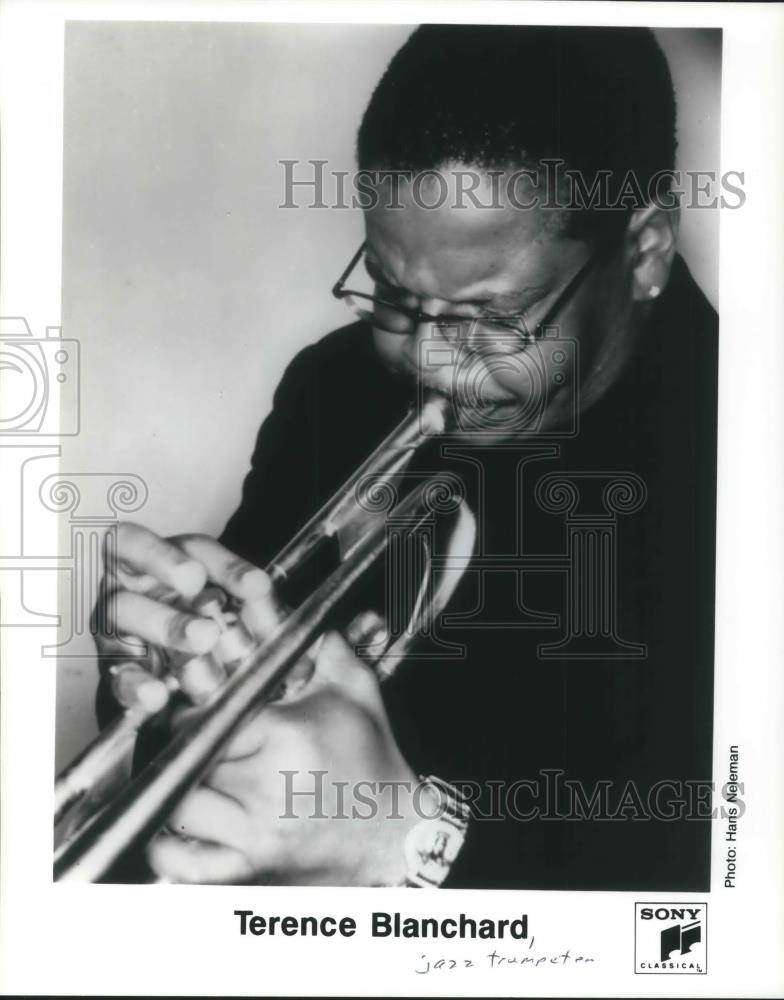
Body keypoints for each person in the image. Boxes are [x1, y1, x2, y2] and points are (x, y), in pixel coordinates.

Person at [93, 25, 718, 887]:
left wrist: (406, 844)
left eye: (489, 319)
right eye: (393, 295)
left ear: (644, 252)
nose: (427, 363)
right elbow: (209, 735)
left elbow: (718, 913)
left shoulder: (745, 455)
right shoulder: (333, 388)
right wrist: (176, 664)